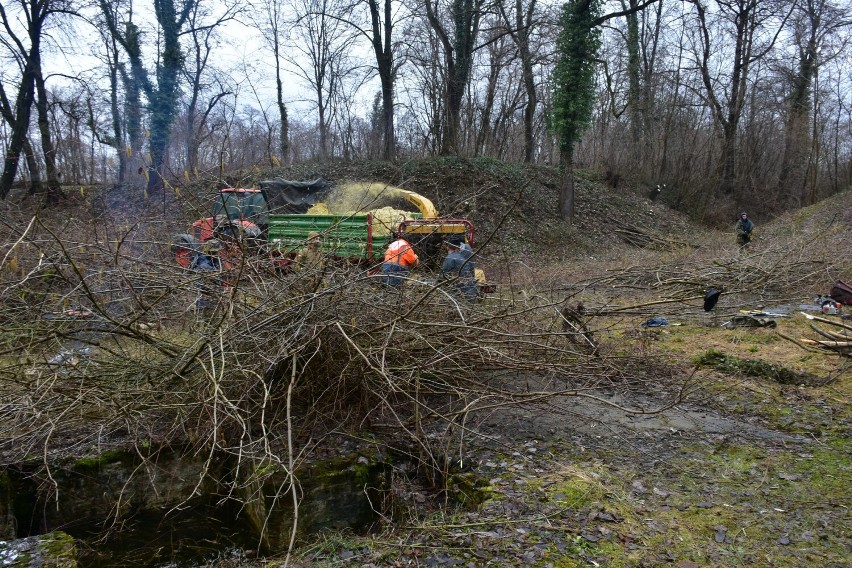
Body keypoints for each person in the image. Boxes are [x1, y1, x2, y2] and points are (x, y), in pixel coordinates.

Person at [441, 236, 477, 302]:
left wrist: (435, 284)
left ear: (448, 247)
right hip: (470, 290)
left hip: (462, 291)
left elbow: (443, 274)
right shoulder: (461, 256)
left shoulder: (450, 258)